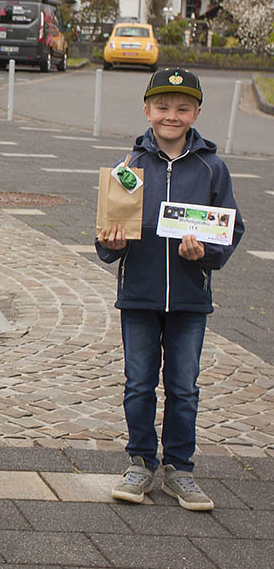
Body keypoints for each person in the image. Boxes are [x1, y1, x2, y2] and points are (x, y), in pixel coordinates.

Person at [97, 68, 244, 511]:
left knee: (184, 387)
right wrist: (109, 243)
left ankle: (180, 469)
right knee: (139, 384)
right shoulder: (130, 167)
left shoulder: (211, 168)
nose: (171, 115)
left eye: (182, 108)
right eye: (162, 106)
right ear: (147, 110)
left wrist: (207, 255)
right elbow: (107, 236)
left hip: (189, 298)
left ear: (196, 112)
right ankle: (141, 461)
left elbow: (230, 227)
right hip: (139, 295)